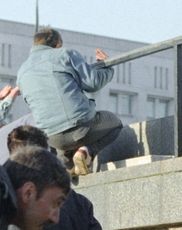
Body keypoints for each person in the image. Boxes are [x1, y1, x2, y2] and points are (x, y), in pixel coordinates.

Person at [16, 27, 121, 175]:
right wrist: (106, 66)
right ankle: (86, 151)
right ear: (57, 44)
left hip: (52, 138)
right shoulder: (65, 54)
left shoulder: (22, 71)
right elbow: (92, 83)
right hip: (81, 127)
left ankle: (69, 168)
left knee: (68, 167)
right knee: (115, 122)